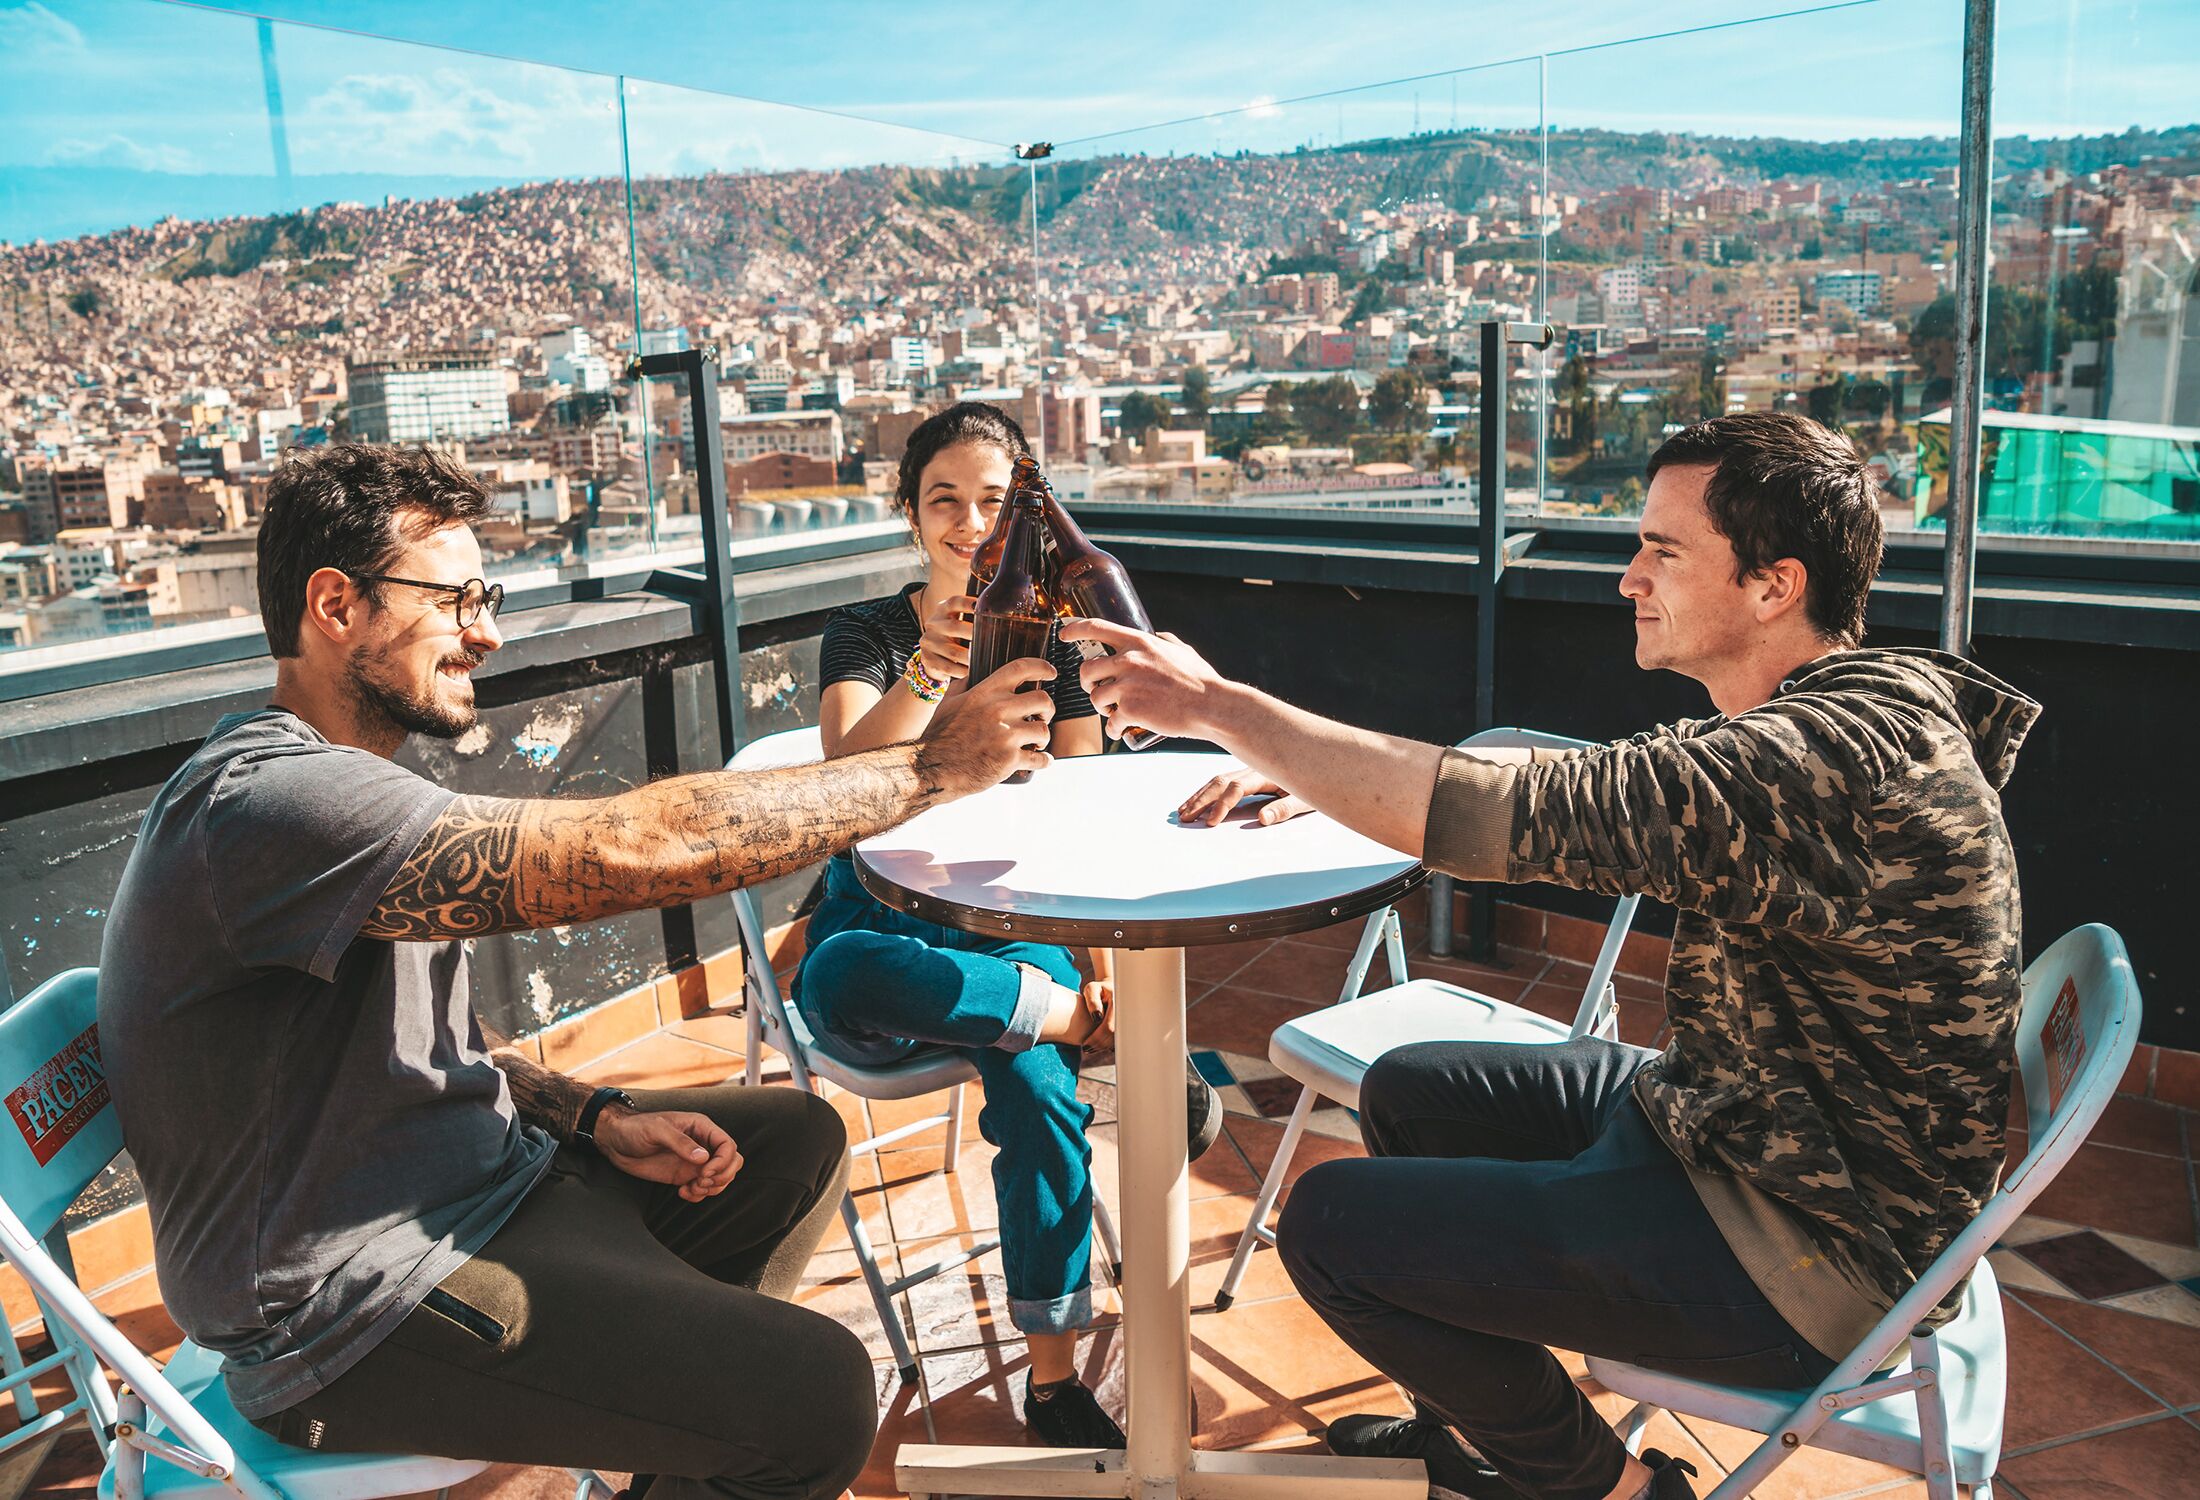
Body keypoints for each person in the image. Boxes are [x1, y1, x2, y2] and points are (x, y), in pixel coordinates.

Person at [1062, 411, 2038, 1500]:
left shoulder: (1812, 765)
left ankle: (1609, 1492)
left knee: (1330, 1229)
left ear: (1773, 585)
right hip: (1745, 1123)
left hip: (1812, 1244)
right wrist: (1320, 769)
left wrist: (1216, 708)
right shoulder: (1843, 709)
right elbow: (1609, 772)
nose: (1629, 578)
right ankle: (1479, 1443)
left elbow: (1527, 809)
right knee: (1408, 1090)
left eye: (1663, 552)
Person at [98, 443, 1060, 1500]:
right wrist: (928, 767)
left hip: (482, 1183)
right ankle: (718, 1416)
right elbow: (621, 852)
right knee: (824, 1396)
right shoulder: (268, 804)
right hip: (356, 1304)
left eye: (487, 596)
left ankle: (678, 1435)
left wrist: (594, 1113)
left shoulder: (343, 791)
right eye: (455, 599)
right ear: (336, 605)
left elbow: (427, 1047)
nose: (488, 630)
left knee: (793, 1141)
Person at [794, 401, 1222, 1449]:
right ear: (908, 513)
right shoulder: (872, 632)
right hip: (882, 910)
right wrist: (932, 672)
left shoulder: (1051, 639)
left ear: (1025, 520)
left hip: (1011, 911)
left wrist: (1094, 962)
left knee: (1036, 1090)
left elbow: (1082, 805)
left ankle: (1051, 1371)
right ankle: (1092, 1033)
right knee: (834, 971)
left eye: (995, 502)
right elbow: (843, 775)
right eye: (945, 499)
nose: (971, 522)